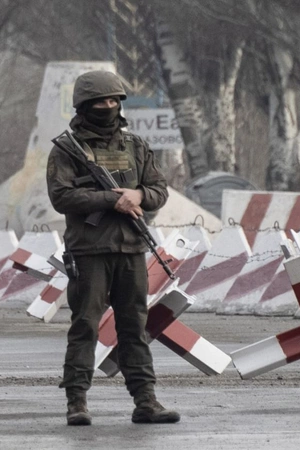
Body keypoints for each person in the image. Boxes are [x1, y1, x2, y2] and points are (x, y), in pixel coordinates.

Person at [46, 70, 179, 426]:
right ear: (84, 105)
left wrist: (138, 195)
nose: (108, 106)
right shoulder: (67, 150)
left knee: (135, 328)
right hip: (89, 252)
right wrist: (110, 200)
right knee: (85, 326)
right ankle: (76, 401)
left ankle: (146, 400)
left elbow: (159, 190)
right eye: (100, 102)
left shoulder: (135, 146)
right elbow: (61, 196)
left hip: (131, 249)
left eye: (113, 100)